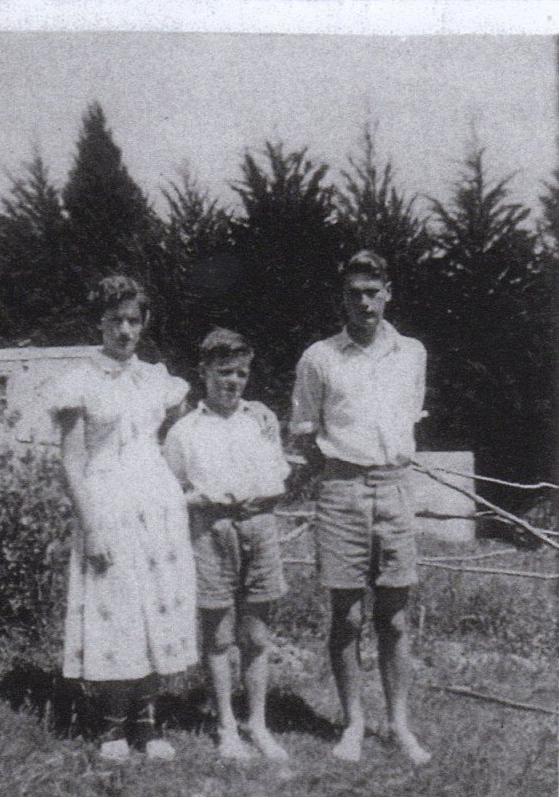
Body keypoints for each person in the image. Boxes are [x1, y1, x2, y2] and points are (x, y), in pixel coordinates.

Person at [48, 275, 197, 762]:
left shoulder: (158, 378)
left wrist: (255, 410)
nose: (125, 330)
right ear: (100, 322)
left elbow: (192, 429)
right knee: (116, 605)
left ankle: (149, 723)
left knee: (154, 606)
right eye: (116, 320)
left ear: (145, 323)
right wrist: (91, 525)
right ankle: (112, 726)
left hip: (156, 503)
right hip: (106, 501)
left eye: (134, 320)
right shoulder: (80, 379)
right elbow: (71, 460)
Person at [290, 250, 431, 765]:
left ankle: (399, 726)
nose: (365, 302)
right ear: (342, 298)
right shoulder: (320, 357)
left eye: (373, 292)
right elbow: (304, 430)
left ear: (388, 292)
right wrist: (335, 474)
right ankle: (353, 723)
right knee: (347, 616)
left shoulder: (411, 353)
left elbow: (408, 418)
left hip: (396, 486)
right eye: (355, 293)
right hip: (342, 490)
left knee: (394, 618)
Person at [164, 329, 291, 762]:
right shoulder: (184, 431)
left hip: (258, 526)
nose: (232, 381)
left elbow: (278, 479)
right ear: (203, 373)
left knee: (256, 633)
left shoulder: (261, 421)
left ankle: (257, 722)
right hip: (210, 530)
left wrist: (263, 498)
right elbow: (170, 492)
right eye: (223, 372)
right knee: (218, 635)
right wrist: (198, 500)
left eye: (240, 373)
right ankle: (225, 726)